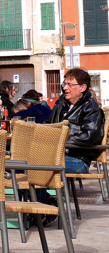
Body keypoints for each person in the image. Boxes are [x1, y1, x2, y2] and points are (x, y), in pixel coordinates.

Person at [41, 68, 105, 227]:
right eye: (65, 84)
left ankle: (45, 206)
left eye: (70, 84)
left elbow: (89, 136)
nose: (65, 88)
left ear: (82, 88)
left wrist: (59, 138)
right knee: (16, 166)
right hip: (56, 154)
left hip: (78, 160)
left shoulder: (92, 109)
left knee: (33, 166)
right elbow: (49, 126)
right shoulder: (60, 103)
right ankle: (48, 204)